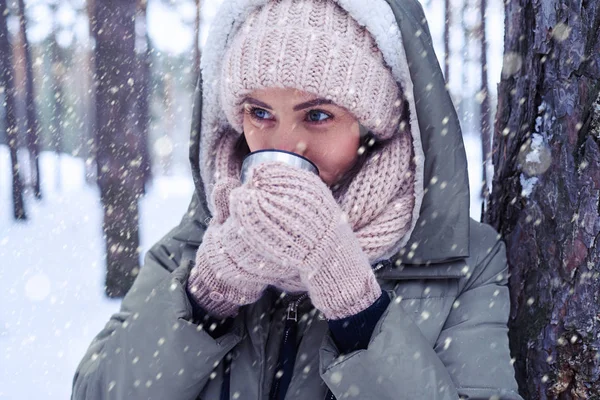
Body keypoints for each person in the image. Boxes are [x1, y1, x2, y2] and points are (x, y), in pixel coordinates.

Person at [72, 0, 523, 399]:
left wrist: (358, 308)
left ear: (373, 125)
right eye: (260, 113)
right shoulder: (190, 248)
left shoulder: (460, 262)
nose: (283, 144)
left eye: (318, 114)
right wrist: (206, 300)